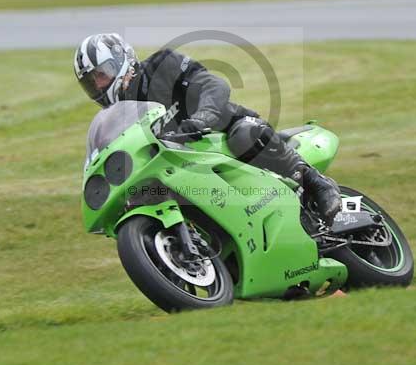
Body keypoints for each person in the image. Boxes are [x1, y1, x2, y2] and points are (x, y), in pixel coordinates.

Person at [73, 33, 342, 226]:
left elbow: (214, 85)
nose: (99, 86)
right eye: (91, 83)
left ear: (122, 60)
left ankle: (316, 183)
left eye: (102, 74)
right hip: (183, 164)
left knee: (244, 136)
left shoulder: (162, 65)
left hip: (222, 132)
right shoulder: (118, 118)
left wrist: (203, 117)